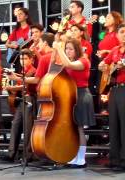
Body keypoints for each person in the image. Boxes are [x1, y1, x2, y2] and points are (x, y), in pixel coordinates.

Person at [54, 38, 95, 168]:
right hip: (71, 96)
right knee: (73, 129)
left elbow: (69, 65)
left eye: (70, 49)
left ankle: (81, 158)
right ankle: (75, 156)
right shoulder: (70, 61)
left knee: (79, 128)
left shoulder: (84, 61)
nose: (68, 51)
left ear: (77, 50)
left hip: (82, 95)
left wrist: (59, 48)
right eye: (66, 48)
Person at [98, 24, 125, 171]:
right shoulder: (114, 50)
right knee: (113, 124)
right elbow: (103, 63)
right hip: (113, 90)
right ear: (117, 35)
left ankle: (123, 160)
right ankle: (114, 159)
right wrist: (104, 66)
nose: (124, 35)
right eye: (121, 32)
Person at [3, 49, 37, 162]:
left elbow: (25, 86)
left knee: (28, 128)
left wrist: (10, 88)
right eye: (21, 59)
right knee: (15, 125)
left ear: (31, 59)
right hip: (22, 100)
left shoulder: (33, 70)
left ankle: (28, 155)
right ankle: (11, 153)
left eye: (25, 58)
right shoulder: (22, 71)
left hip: (30, 100)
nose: (22, 61)